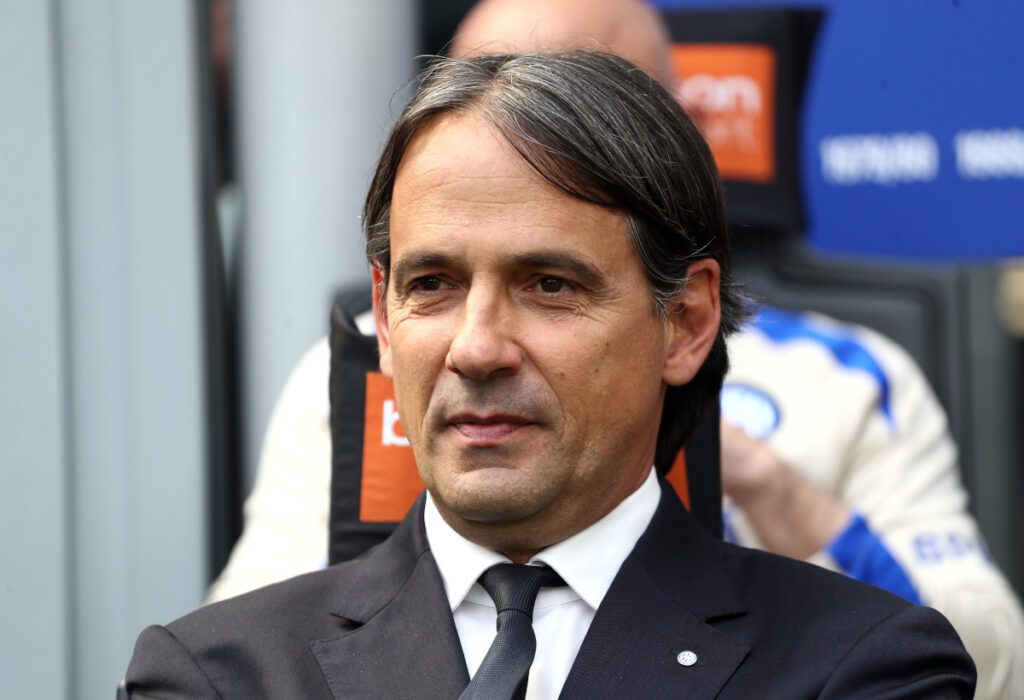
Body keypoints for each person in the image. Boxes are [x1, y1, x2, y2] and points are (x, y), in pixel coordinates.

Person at [207, 1, 1022, 697]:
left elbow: (994, 662)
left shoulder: (843, 377)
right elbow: (267, 644)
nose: (478, 349)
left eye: (551, 285)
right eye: (432, 285)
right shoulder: (358, 377)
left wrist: (772, 492)